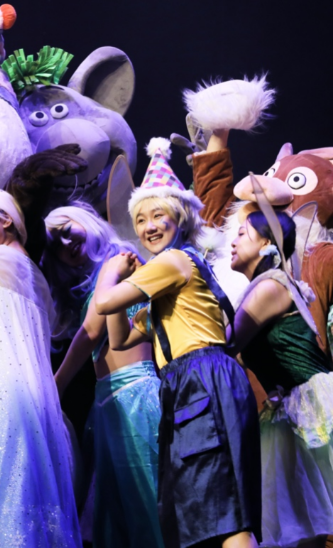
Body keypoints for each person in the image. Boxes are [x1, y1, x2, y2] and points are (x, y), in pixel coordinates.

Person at [93, 138, 261, 548]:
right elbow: (119, 337)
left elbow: (103, 302)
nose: (148, 226)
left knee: (225, 513)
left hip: (201, 377)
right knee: (204, 513)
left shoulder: (172, 262)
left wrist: (111, 271)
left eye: (158, 215)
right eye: (140, 219)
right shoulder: (165, 285)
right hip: (187, 383)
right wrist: (125, 281)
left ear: (180, 219)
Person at [0, 186, 81, 547]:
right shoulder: (39, 277)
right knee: (36, 490)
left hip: (2, 387)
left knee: (6, 485)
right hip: (40, 394)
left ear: (6, 218)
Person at [44, 203, 163, 548]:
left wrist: (55, 386)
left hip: (135, 395)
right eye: (55, 244)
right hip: (110, 399)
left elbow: (92, 331)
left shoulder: (121, 262)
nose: (65, 244)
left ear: (86, 222)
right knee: (120, 510)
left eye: (67, 231)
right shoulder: (100, 277)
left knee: (145, 499)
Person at [228, 207, 333, 548]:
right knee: (305, 525)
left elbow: (227, 343)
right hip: (289, 408)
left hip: (313, 404)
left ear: (265, 244)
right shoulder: (264, 286)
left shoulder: (271, 286)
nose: (233, 242)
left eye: (242, 234)